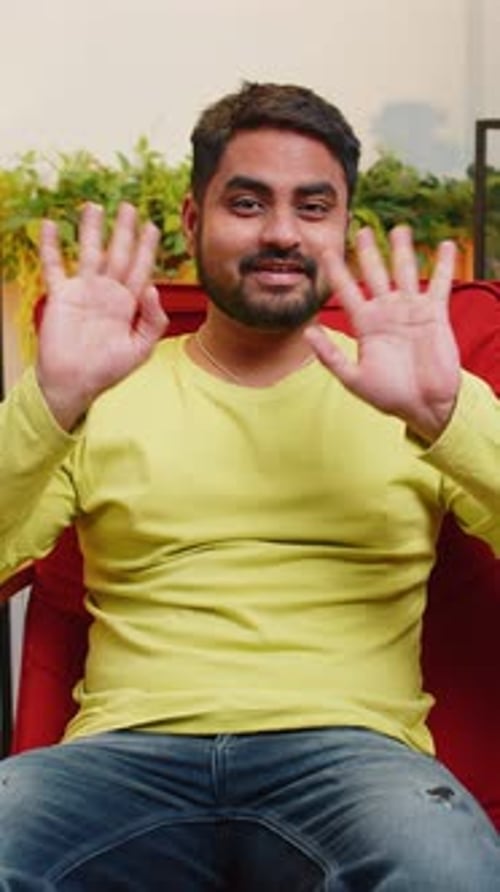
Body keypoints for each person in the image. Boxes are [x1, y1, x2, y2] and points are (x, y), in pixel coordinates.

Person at [0, 81, 499, 891]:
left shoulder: (416, 385)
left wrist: (445, 416)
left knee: (449, 871)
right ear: (195, 221)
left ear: (342, 227)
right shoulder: (100, 386)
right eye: (246, 202)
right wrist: (48, 403)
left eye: (312, 207)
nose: (280, 233)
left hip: (352, 755)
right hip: (124, 757)